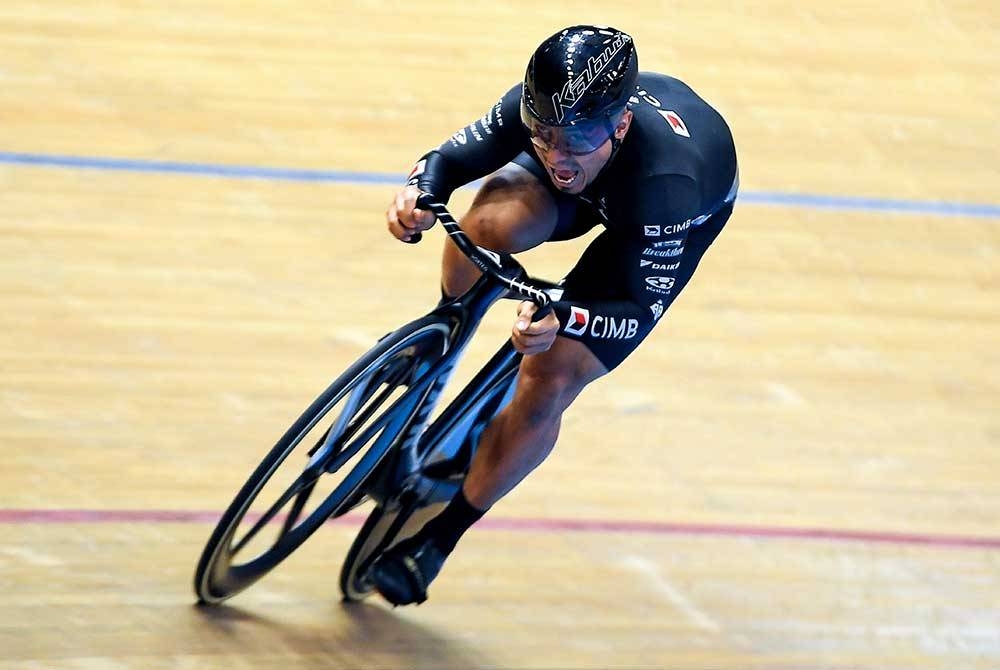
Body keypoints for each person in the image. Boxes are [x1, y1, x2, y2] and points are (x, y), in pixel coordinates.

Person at [370, 25, 738, 606]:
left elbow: (632, 307)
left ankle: (440, 538)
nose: (559, 154)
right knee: (486, 225)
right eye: (543, 134)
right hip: (603, 173)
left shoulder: (668, 187)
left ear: (619, 124)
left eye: (576, 139)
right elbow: (449, 160)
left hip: (650, 221)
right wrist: (417, 192)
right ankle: (445, 334)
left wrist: (564, 317)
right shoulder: (547, 116)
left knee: (550, 376)